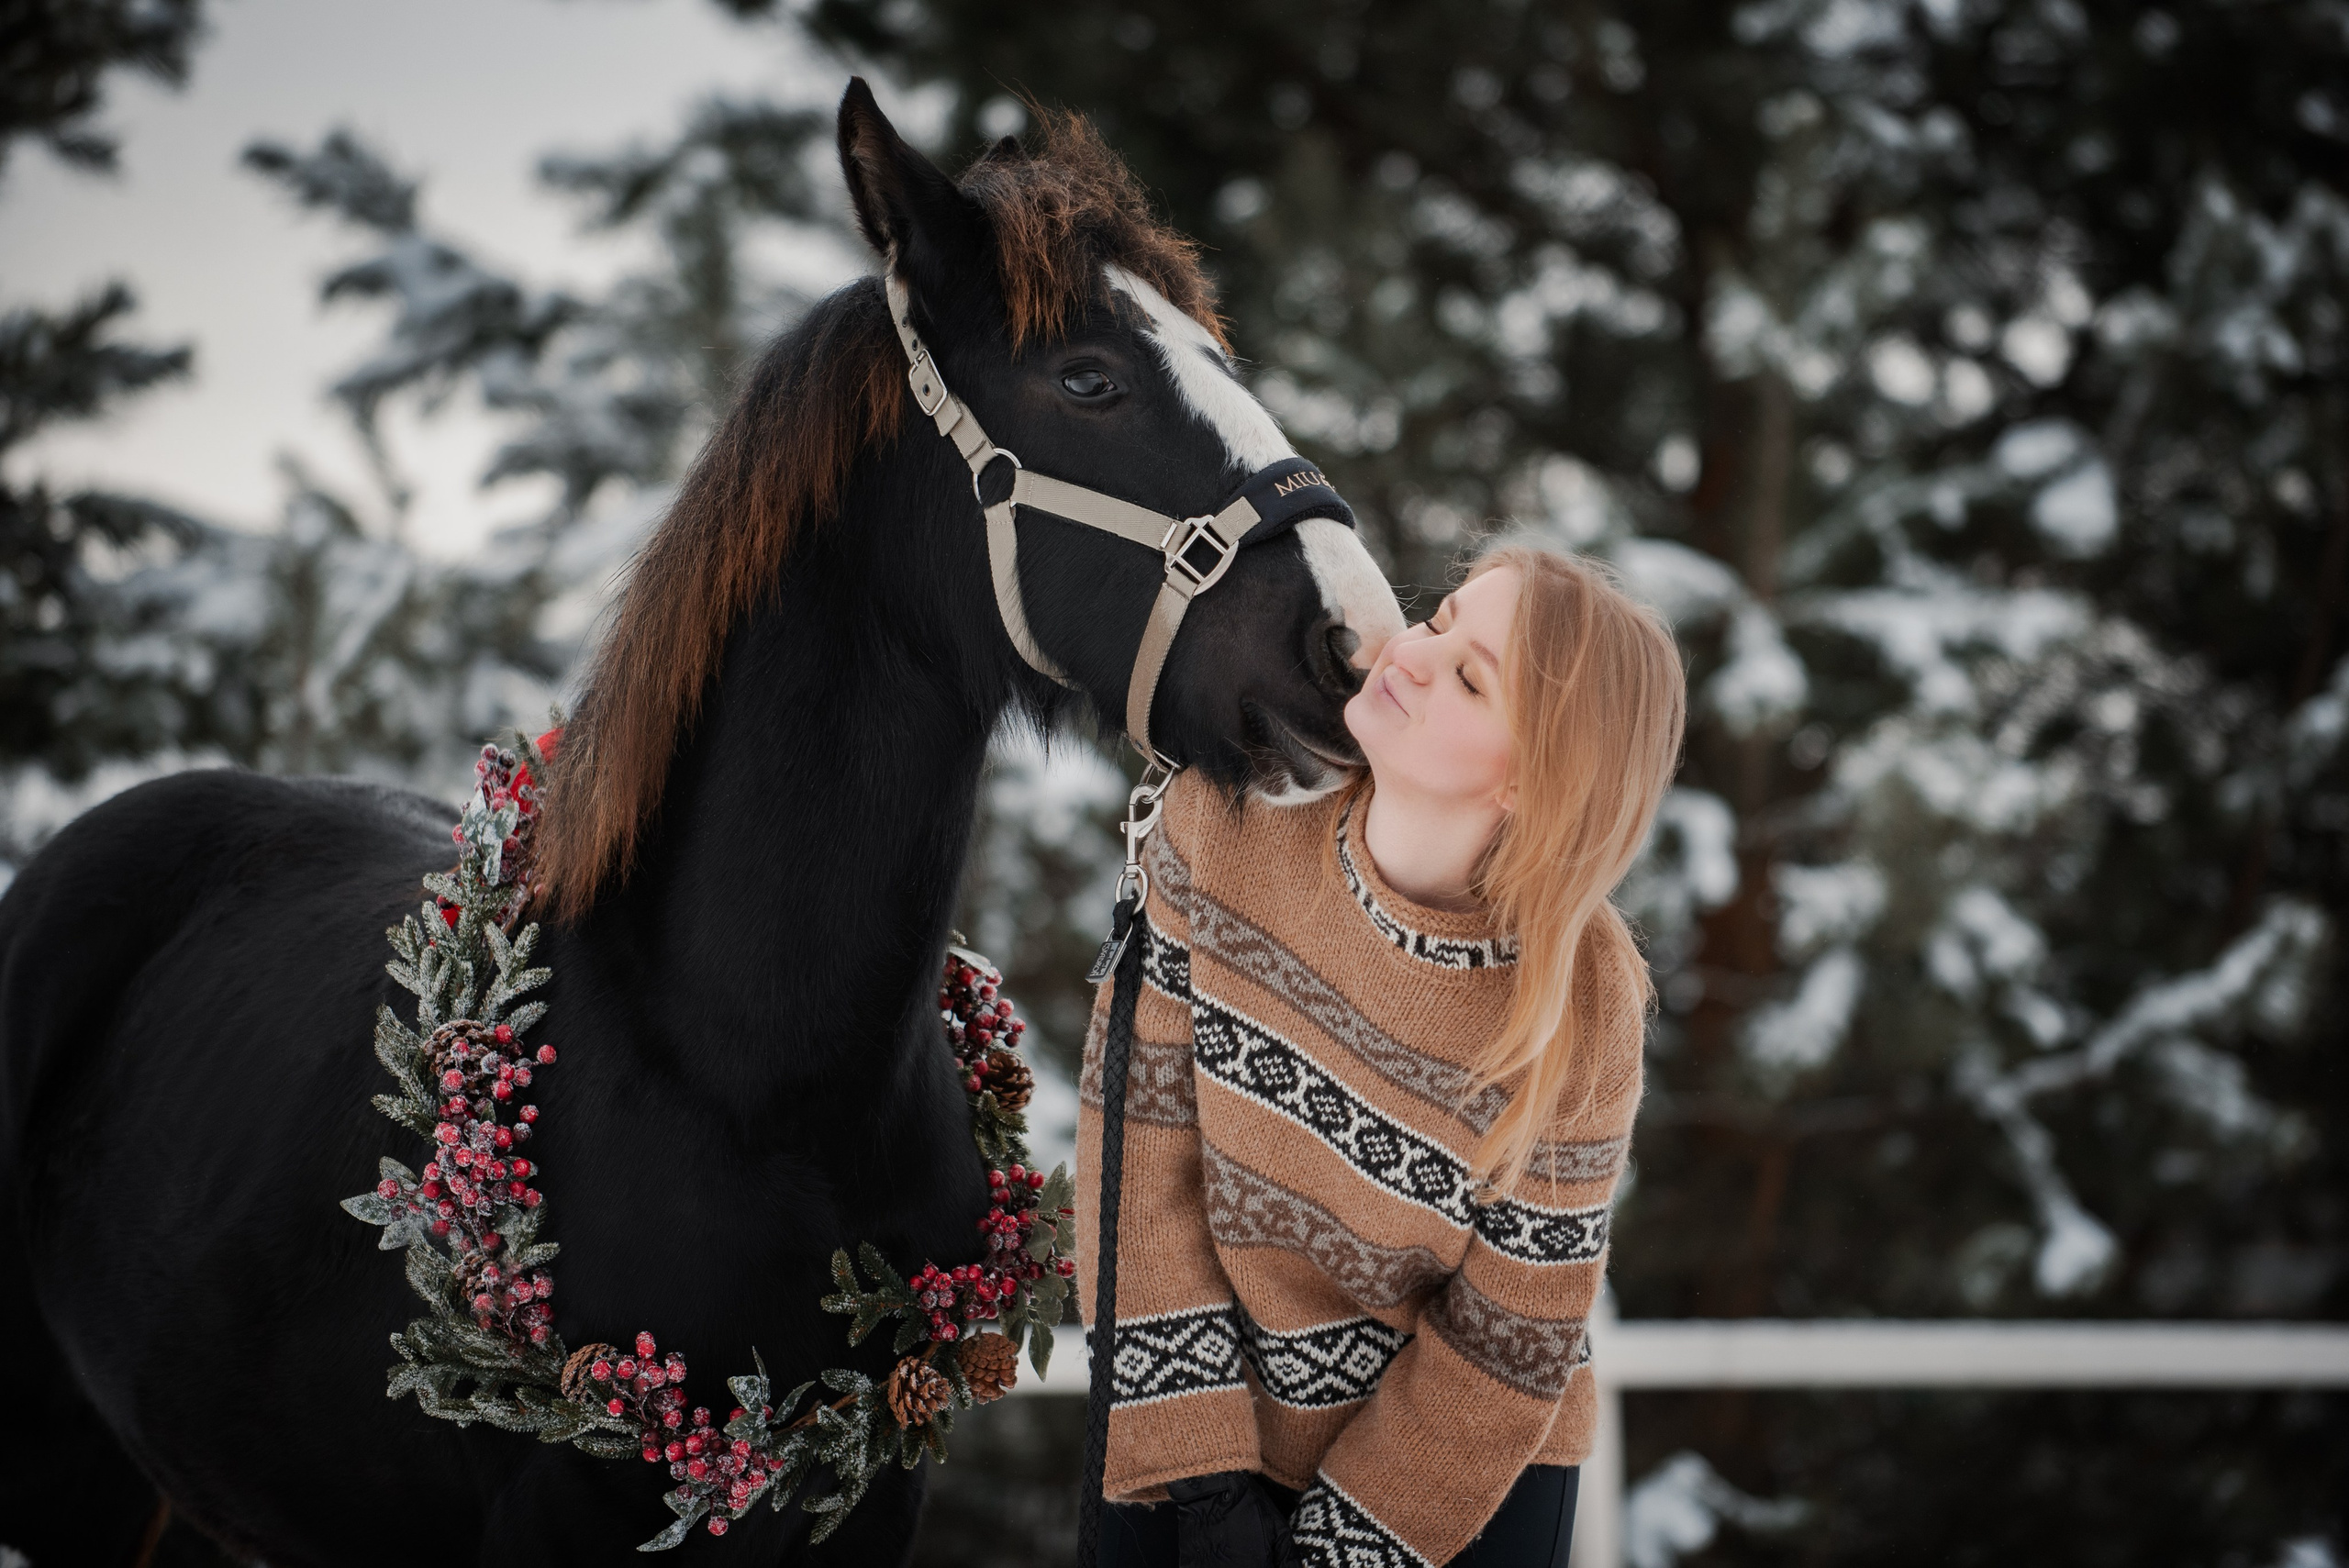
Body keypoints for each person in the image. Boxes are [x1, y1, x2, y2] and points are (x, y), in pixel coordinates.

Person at [1076, 544, 1687, 1568]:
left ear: (1531, 783)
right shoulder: (1222, 820)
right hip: (1197, 1398)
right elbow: (1137, 1152)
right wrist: (1199, 1473)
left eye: (1468, 674)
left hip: (1460, 1468)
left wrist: (1339, 1553)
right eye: (1441, 619)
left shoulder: (1581, 1000)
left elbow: (1509, 1332)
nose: (1410, 651)